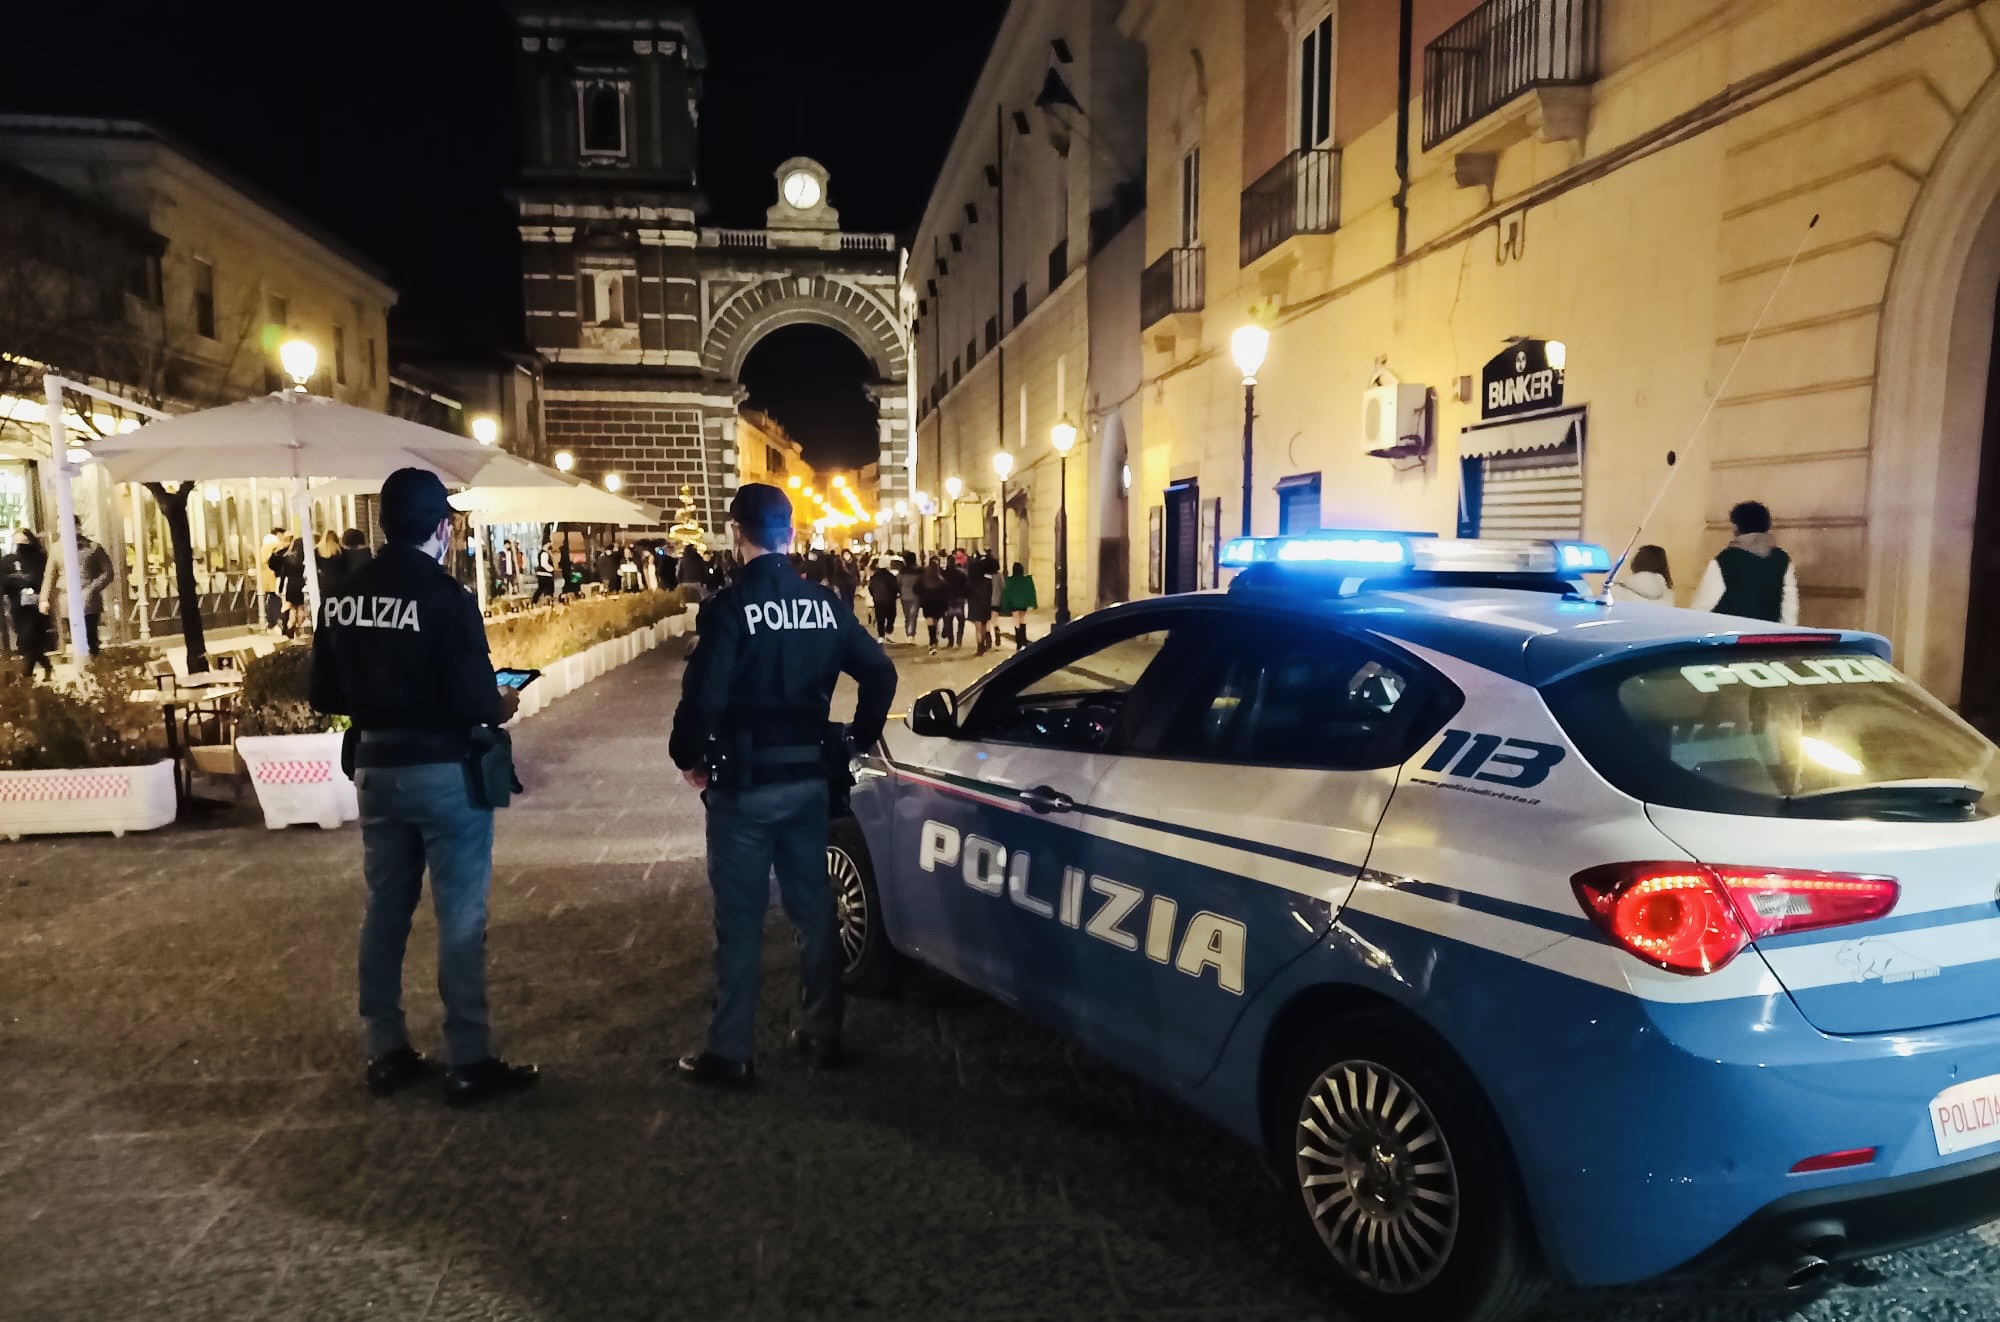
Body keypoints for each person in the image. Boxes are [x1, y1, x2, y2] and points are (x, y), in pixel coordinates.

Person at [310, 467, 537, 1107]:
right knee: (460, 916)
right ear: (442, 526)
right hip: (444, 773)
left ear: (385, 525)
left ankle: (386, 1049)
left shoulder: (345, 593)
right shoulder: (446, 597)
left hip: (377, 770)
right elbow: (476, 701)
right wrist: (502, 703)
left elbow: (324, 693)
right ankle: (469, 1057)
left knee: (385, 908)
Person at [667, 483, 896, 1086]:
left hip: (743, 786)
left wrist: (689, 756)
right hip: (807, 783)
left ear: (736, 534)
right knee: (814, 909)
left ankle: (731, 1051)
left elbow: (703, 699)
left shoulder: (729, 606)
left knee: (739, 919)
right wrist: (858, 737)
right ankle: (824, 1031)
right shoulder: (823, 603)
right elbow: (879, 671)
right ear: (790, 536)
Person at [1689, 501, 1798, 624]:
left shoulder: (1725, 560)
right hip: (1766, 637)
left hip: (1730, 637)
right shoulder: (1782, 559)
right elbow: (1789, 609)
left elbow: (1703, 606)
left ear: (1736, 526)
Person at [40, 530, 115, 656]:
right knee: (75, 636)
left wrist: (93, 588)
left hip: (89, 599)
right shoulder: (56, 549)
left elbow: (108, 572)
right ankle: (83, 665)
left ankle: (93, 662)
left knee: (90, 634)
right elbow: (49, 575)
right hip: (67, 599)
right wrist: (44, 599)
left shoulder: (93, 547)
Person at [5, 529, 52, 679]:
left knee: (30, 639)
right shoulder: (9, 560)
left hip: (35, 607)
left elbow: (41, 579)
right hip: (18, 607)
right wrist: (19, 580)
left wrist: (22, 579)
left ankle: (27, 674)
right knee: (28, 642)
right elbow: (5, 582)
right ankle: (46, 665)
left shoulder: (39, 558)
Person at [1000, 561, 1038, 648]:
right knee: (1022, 619)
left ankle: (1018, 640)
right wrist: (1033, 603)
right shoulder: (1026, 580)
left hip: (1013, 604)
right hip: (1023, 603)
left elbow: (1006, 593)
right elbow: (1031, 591)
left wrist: (1004, 604)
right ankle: (1023, 637)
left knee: (1016, 619)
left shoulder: (1010, 580)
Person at [966, 551, 996, 656]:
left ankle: (979, 647)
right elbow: (990, 593)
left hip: (975, 605)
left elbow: (967, 594)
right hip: (985, 605)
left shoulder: (970, 582)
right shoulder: (987, 581)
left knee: (978, 628)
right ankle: (982, 645)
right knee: (983, 626)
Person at [918, 561, 950, 653]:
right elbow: (946, 594)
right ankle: (934, 639)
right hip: (938, 604)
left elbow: (916, 589)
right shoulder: (941, 581)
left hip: (927, 603)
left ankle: (932, 641)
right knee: (935, 621)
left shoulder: (923, 580)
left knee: (930, 623)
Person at [259, 527, 285, 633]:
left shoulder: (263, 548)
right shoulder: (276, 546)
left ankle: (270, 622)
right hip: (275, 577)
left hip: (266, 578)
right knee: (276, 600)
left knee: (271, 599)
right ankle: (273, 623)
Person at [866, 558, 899, 640]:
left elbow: (870, 587)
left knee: (880, 618)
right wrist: (896, 595)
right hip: (890, 600)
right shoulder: (891, 576)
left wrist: (874, 595)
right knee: (891, 616)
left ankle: (881, 636)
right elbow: (896, 587)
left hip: (878, 600)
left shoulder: (874, 577)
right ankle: (888, 631)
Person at [943, 555, 969, 649]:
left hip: (948, 599)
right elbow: (966, 585)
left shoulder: (944, 573)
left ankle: (951, 641)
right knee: (961, 620)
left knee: (948, 621)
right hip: (959, 598)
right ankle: (959, 638)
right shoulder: (961, 573)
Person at [315, 530, 344, 598]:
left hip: (324, 581)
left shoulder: (318, 550)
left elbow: (316, 567)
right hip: (338, 581)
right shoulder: (340, 550)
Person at [533, 541, 558, 605]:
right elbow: (544, 564)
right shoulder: (544, 553)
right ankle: (547, 602)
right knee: (548, 589)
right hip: (545, 574)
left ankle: (534, 601)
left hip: (543, 574)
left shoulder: (545, 552)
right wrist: (551, 569)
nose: (550, 545)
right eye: (549, 543)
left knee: (541, 589)